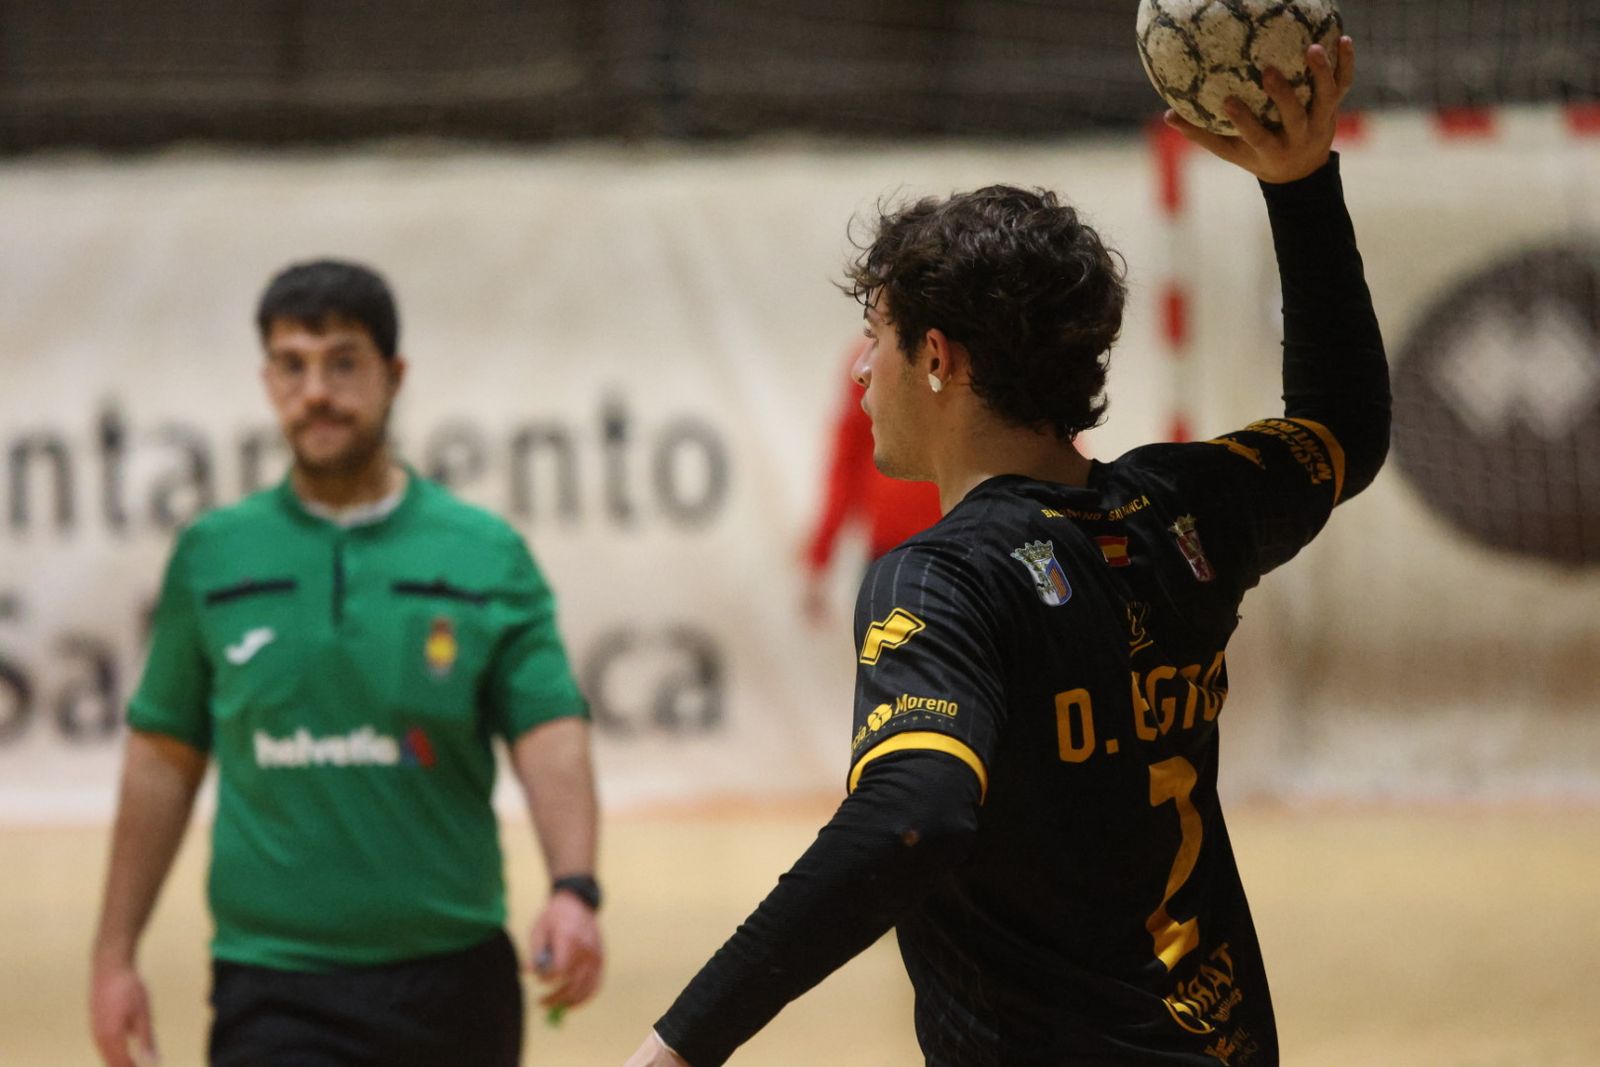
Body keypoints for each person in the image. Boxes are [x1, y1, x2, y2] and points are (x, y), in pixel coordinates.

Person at [627, 39, 1383, 1067]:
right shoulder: (1183, 508)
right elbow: (1344, 426)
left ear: (938, 358)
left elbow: (916, 814)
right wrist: (1300, 185)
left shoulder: (941, 578)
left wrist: (676, 1045)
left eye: (877, 335)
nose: (862, 370)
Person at [89, 260, 605, 1067]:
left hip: (453, 980)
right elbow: (162, 754)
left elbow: (549, 728)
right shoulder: (213, 555)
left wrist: (574, 888)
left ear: (394, 376)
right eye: (292, 366)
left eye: (342, 363)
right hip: (272, 983)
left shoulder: (485, 553)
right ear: (266, 381)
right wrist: (114, 954)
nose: (316, 392)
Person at [803, 338, 944, 624]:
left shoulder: (874, 359)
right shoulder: (871, 360)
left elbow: (847, 462)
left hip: (930, 551)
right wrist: (821, 554)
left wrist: (821, 556)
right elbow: (847, 460)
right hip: (900, 551)